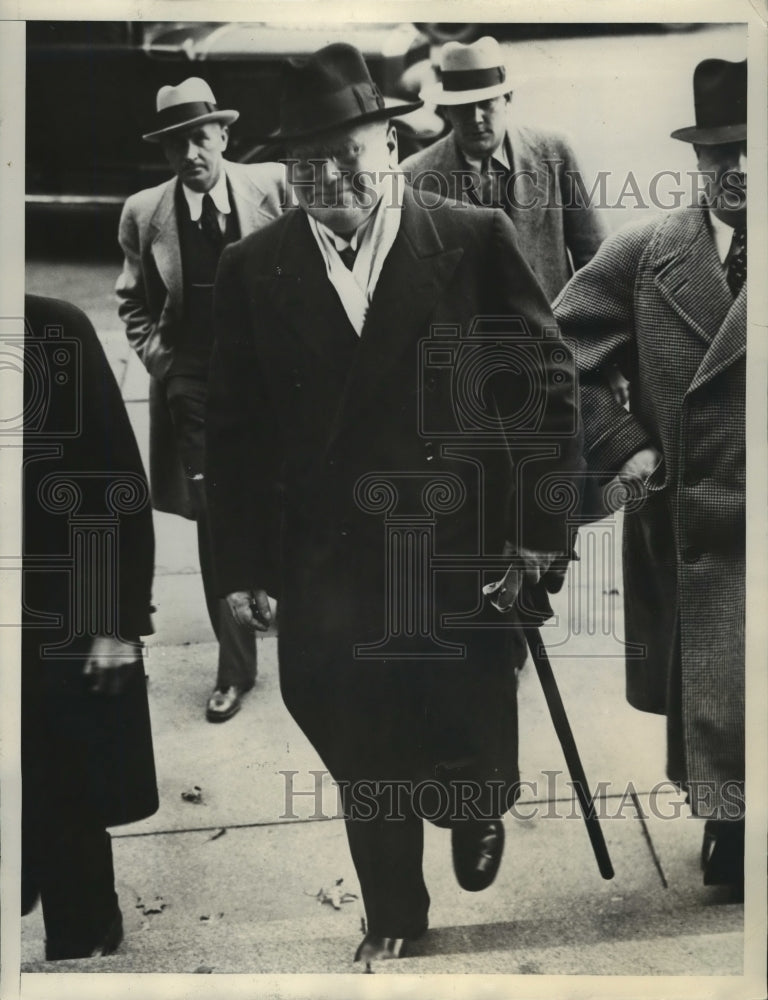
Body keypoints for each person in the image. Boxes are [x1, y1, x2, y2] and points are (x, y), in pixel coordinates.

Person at [206, 43, 583, 962]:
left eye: (349, 152)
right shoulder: (253, 269)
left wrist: (539, 535)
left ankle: (475, 796)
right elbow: (234, 433)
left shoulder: (467, 238)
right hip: (328, 560)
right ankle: (393, 913)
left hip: (457, 543)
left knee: (461, 713)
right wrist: (243, 567)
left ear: (389, 142)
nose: (328, 176)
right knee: (355, 732)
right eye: (305, 161)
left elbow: (545, 386)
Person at [553, 58, 747, 893]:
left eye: (755, 147)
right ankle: (730, 825)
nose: (737, 168)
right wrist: (622, 441)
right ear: (696, 161)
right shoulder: (644, 255)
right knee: (722, 685)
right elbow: (557, 351)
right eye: (718, 151)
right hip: (695, 525)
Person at [116, 77, 286, 722]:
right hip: (193, 380)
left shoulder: (270, 188)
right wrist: (162, 361)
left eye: (199, 136)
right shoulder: (143, 212)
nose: (190, 152)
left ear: (223, 135)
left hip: (272, 378)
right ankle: (234, 668)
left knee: (286, 495)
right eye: (175, 143)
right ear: (164, 153)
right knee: (218, 517)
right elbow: (131, 298)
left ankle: (290, 618)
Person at [22, 295, 158, 959]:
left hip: (54, 608)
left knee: (61, 786)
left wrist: (117, 625)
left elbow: (114, 483)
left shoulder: (52, 329)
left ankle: (83, 935)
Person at [400, 36, 606, 302]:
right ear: (447, 111)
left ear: (507, 98)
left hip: (550, 335)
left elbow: (597, 261)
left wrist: (582, 339)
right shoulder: (415, 176)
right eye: (462, 107)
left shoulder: (556, 151)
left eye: (487, 103)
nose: (476, 118)